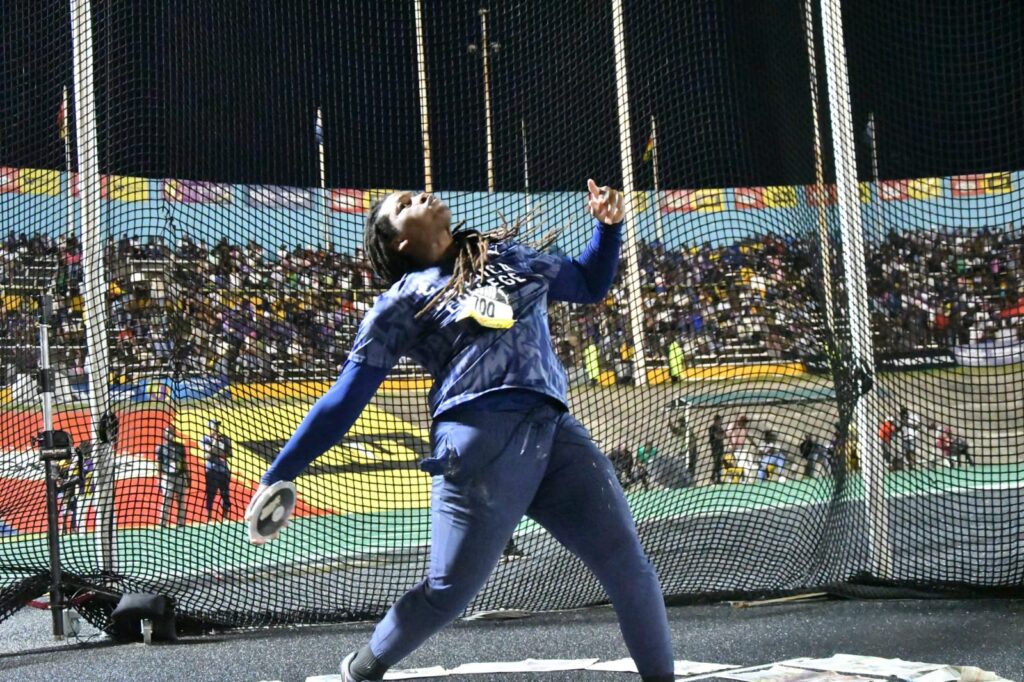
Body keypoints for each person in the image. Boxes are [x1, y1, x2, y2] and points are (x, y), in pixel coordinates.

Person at [247, 181, 675, 681]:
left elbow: (588, 283)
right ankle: (361, 670)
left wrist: (608, 227)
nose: (417, 196)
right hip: (476, 440)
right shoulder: (401, 301)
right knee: (448, 593)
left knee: (629, 565)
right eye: (403, 206)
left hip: (554, 430)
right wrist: (279, 473)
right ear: (400, 243)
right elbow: (344, 401)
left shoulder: (509, 257)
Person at [157, 424, 189, 528]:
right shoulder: (161, 448)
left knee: (181, 499)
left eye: (172, 432)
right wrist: (159, 480)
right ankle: (163, 522)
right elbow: (159, 465)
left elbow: (184, 463)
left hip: (180, 476)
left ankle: (181, 522)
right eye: (168, 432)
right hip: (167, 477)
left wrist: (188, 476)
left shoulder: (180, 446)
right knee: (167, 499)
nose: (170, 434)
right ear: (164, 434)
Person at [201, 418, 232, 520]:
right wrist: (215, 442)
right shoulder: (205, 439)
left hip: (224, 470)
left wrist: (215, 452)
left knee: (225, 494)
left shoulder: (225, 438)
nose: (217, 428)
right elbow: (208, 454)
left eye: (218, 426)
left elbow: (229, 453)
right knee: (210, 494)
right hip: (212, 471)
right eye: (215, 426)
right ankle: (209, 518)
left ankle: (225, 518)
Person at [707, 414, 725, 484]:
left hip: (721, 447)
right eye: (719, 420)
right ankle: (712, 478)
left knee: (719, 463)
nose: (720, 421)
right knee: (716, 462)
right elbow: (716, 436)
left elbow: (724, 435)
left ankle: (718, 479)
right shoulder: (712, 428)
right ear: (716, 420)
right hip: (715, 448)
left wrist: (721, 436)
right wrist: (720, 436)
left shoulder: (720, 428)